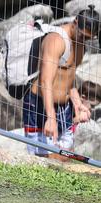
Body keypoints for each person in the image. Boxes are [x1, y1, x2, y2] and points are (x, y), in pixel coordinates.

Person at [23, 5, 100, 159]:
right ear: (76, 22)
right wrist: (50, 118)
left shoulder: (81, 44)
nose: (83, 40)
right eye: (83, 35)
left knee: (63, 157)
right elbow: (46, 81)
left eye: (88, 38)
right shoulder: (55, 40)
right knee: (40, 159)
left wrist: (78, 104)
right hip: (40, 105)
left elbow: (69, 78)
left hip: (64, 108)